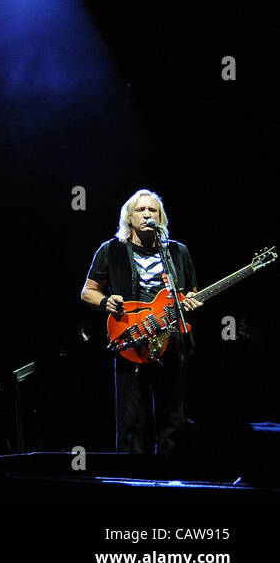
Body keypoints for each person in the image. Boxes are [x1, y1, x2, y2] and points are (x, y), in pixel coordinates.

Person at [79, 189, 200, 458]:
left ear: (161, 217)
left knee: (174, 419)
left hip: (171, 341)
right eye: (140, 210)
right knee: (131, 420)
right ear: (129, 217)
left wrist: (191, 300)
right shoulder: (111, 249)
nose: (147, 214)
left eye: (152, 210)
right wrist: (105, 302)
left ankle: (172, 477)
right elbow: (87, 291)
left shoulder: (178, 252)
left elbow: (190, 291)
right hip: (132, 339)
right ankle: (131, 480)